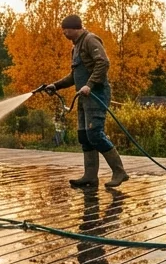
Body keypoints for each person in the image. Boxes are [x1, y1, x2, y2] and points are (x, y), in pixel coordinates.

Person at [46, 14, 128, 188]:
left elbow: (103, 63)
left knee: (95, 134)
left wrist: (90, 84)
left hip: (96, 94)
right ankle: (90, 176)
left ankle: (119, 172)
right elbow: (74, 76)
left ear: (74, 28)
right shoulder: (75, 48)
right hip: (83, 97)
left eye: (65, 30)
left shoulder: (90, 40)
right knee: (84, 136)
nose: (63, 33)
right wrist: (56, 85)